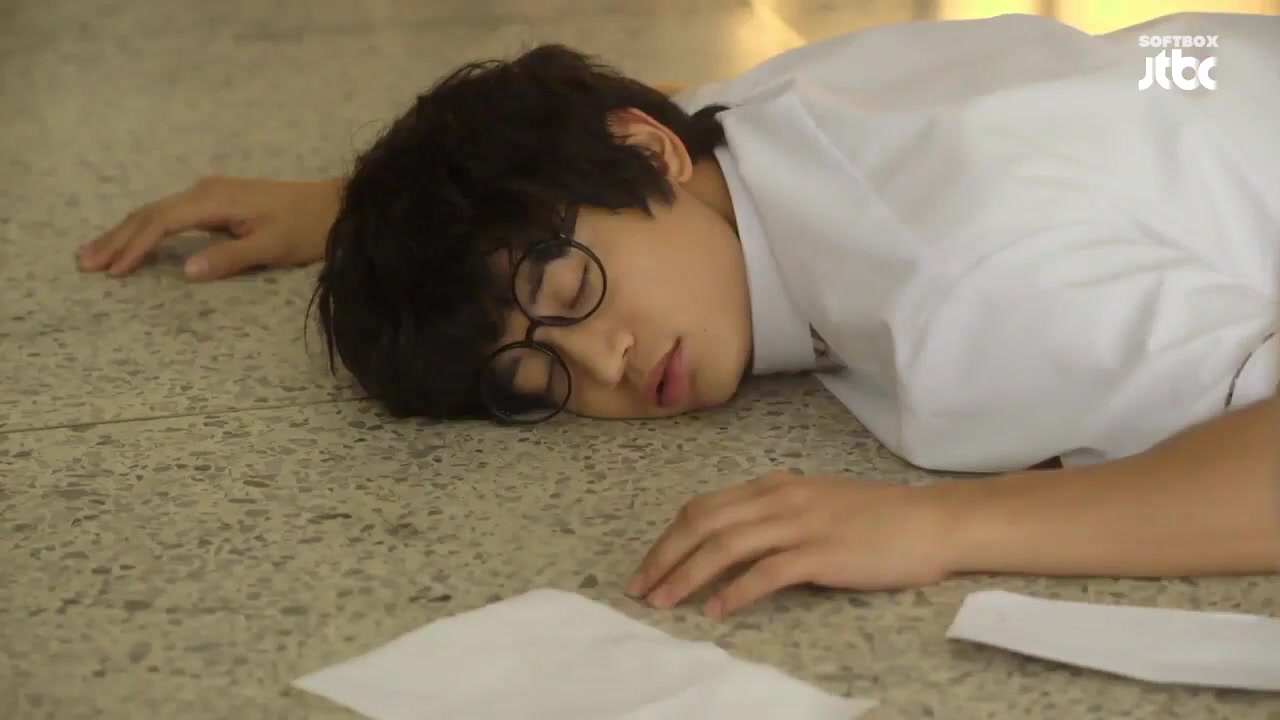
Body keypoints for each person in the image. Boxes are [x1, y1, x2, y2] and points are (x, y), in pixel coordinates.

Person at [79, 11, 1280, 617]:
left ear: (645, 154)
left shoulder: (957, 291)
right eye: (541, 382)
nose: (604, 365)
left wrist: (939, 528)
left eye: (566, 293)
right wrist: (350, 209)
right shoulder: (742, 129)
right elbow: (644, 103)